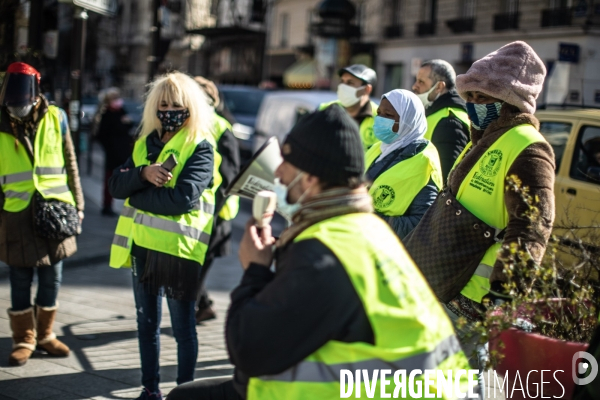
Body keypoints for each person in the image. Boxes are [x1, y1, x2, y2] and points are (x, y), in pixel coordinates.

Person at [168, 105, 473, 400]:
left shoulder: (323, 251)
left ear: (311, 179)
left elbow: (249, 349)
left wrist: (255, 270)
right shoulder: (364, 227)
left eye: (285, 163)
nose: (278, 174)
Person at [409, 41, 555, 381]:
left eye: (482, 98)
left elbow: (532, 229)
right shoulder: (483, 140)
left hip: (472, 302)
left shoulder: (528, 147)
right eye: (469, 97)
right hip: (444, 288)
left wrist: (502, 298)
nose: (472, 105)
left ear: (508, 101)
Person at [108, 72, 218, 400]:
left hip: (177, 252)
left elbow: (182, 200)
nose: (169, 110)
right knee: (147, 326)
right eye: (163, 104)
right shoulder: (144, 143)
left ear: (190, 107)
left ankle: (185, 393)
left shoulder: (200, 145)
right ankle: (150, 389)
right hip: (142, 247)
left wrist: (136, 193)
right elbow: (116, 184)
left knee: (183, 329)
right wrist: (142, 173)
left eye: (177, 104)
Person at [0, 62, 84, 366]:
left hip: (55, 211)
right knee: (20, 279)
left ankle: (45, 335)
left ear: (36, 95)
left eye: (22, 102)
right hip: (15, 213)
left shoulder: (56, 117)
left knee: (53, 278)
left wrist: (79, 205)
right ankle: (23, 338)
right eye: (12, 104)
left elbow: (70, 164)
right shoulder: (0, 121)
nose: (18, 108)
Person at [193, 76, 241, 323]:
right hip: (198, 212)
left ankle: (198, 308)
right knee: (193, 267)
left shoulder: (220, 126)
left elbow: (230, 175)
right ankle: (204, 305)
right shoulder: (191, 124)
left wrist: (213, 209)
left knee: (195, 269)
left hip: (215, 214)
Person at [366, 89, 442, 240]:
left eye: (388, 115)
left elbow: (422, 224)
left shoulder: (425, 163)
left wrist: (370, 221)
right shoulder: (379, 148)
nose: (380, 119)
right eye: (379, 113)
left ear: (409, 120)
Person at [412, 60, 470, 182]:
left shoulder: (450, 122)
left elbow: (446, 175)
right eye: (416, 80)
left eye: (421, 82)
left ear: (439, 87)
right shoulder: (436, 111)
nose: (414, 86)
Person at [319, 64, 378, 151]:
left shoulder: (380, 118)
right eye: (342, 81)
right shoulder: (326, 109)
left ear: (367, 89)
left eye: (350, 83)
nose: (343, 87)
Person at [96, 87, 134, 216]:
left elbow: (128, 126)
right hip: (113, 155)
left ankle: (128, 207)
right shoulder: (106, 115)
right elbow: (101, 135)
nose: (118, 100)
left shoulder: (122, 111)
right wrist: (110, 148)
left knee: (128, 180)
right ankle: (107, 206)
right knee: (110, 180)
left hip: (125, 153)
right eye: (114, 98)